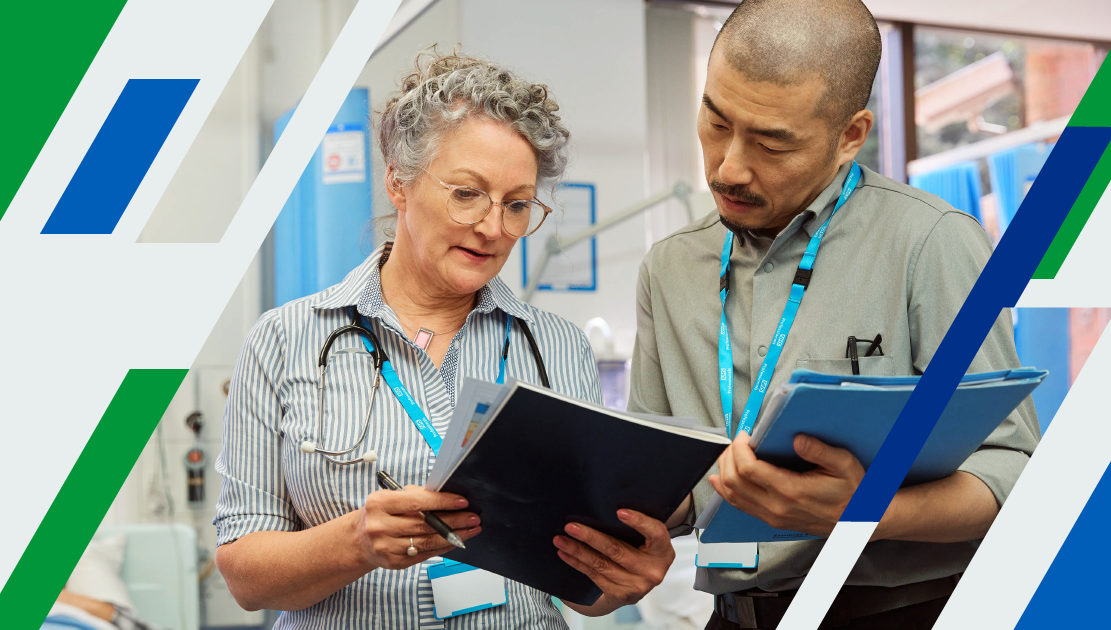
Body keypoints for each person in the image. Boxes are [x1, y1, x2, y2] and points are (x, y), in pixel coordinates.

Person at [214, 50, 680, 629]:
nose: (492, 228)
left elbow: (580, 586)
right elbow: (243, 577)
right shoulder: (285, 342)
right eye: (467, 193)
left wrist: (623, 580)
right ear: (398, 183)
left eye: (516, 205)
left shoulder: (557, 348)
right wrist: (357, 541)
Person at [628, 1, 1040, 629]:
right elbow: (660, 472)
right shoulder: (670, 267)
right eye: (714, 121)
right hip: (734, 612)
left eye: (772, 144)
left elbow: (1014, 469)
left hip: (897, 609)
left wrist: (870, 509)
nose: (728, 166)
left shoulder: (931, 244)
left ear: (851, 135)